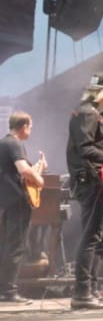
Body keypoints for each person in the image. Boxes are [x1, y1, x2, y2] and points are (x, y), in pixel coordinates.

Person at [66, 72, 103, 310]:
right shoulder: (87, 113)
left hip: (97, 180)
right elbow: (85, 149)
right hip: (89, 181)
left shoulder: (94, 114)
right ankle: (81, 293)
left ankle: (90, 289)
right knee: (92, 236)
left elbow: (95, 146)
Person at [0, 111, 46, 304]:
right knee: (16, 246)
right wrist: (40, 179)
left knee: (8, 244)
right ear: (24, 126)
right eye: (30, 127)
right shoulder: (15, 144)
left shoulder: (4, 143)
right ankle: (9, 292)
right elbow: (24, 171)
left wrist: (39, 166)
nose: (31, 131)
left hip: (7, 200)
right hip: (18, 200)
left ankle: (5, 289)